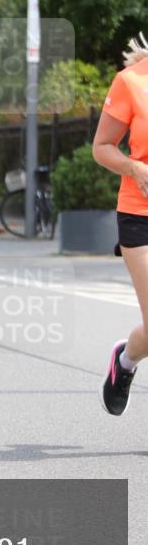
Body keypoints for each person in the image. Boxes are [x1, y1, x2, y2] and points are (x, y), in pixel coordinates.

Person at [92, 32, 148, 415]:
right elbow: (102, 147)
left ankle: (125, 360)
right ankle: (126, 360)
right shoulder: (131, 82)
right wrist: (133, 166)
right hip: (140, 214)